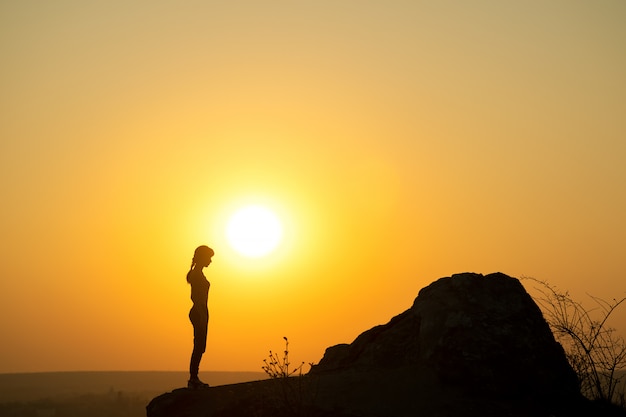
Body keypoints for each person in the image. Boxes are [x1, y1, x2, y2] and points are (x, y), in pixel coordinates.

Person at [186, 245, 214, 389]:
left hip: (202, 311)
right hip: (199, 311)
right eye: (209, 257)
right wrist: (201, 313)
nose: (210, 261)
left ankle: (194, 378)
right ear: (202, 257)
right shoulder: (196, 274)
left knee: (201, 346)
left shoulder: (198, 273)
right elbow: (195, 296)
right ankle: (193, 379)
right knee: (198, 345)